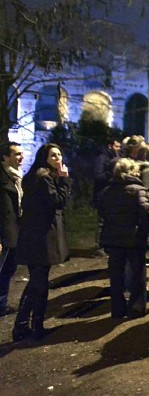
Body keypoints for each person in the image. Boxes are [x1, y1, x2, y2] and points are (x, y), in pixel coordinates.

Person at [12, 143, 71, 342]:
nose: (58, 159)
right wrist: (64, 181)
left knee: (37, 282)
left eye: (59, 154)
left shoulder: (35, 176)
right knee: (40, 284)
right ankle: (35, 327)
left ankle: (22, 326)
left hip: (34, 235)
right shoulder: (44, 177)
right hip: (40, 237)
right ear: (44, 157)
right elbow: (57, 202)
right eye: (53, 155)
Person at [97, 158, 149, 319]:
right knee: (137, 274)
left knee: (116, 275)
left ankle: (118, 309)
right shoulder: (138, 190)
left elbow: (101, 210)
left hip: (113, 238)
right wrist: (146, 231)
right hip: (134, 238)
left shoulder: (108, 190)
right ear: (133, 172)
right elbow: (146, 212)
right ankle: (137, 308)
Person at [0, 142, 24, 316]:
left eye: (21, 153)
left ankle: (2, 304)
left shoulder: (16, 177)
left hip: (14, 232)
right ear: (5, 157)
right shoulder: (3, 179)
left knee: (8, 269)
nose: (21, 157)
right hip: (5, 234)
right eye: (16, 154)